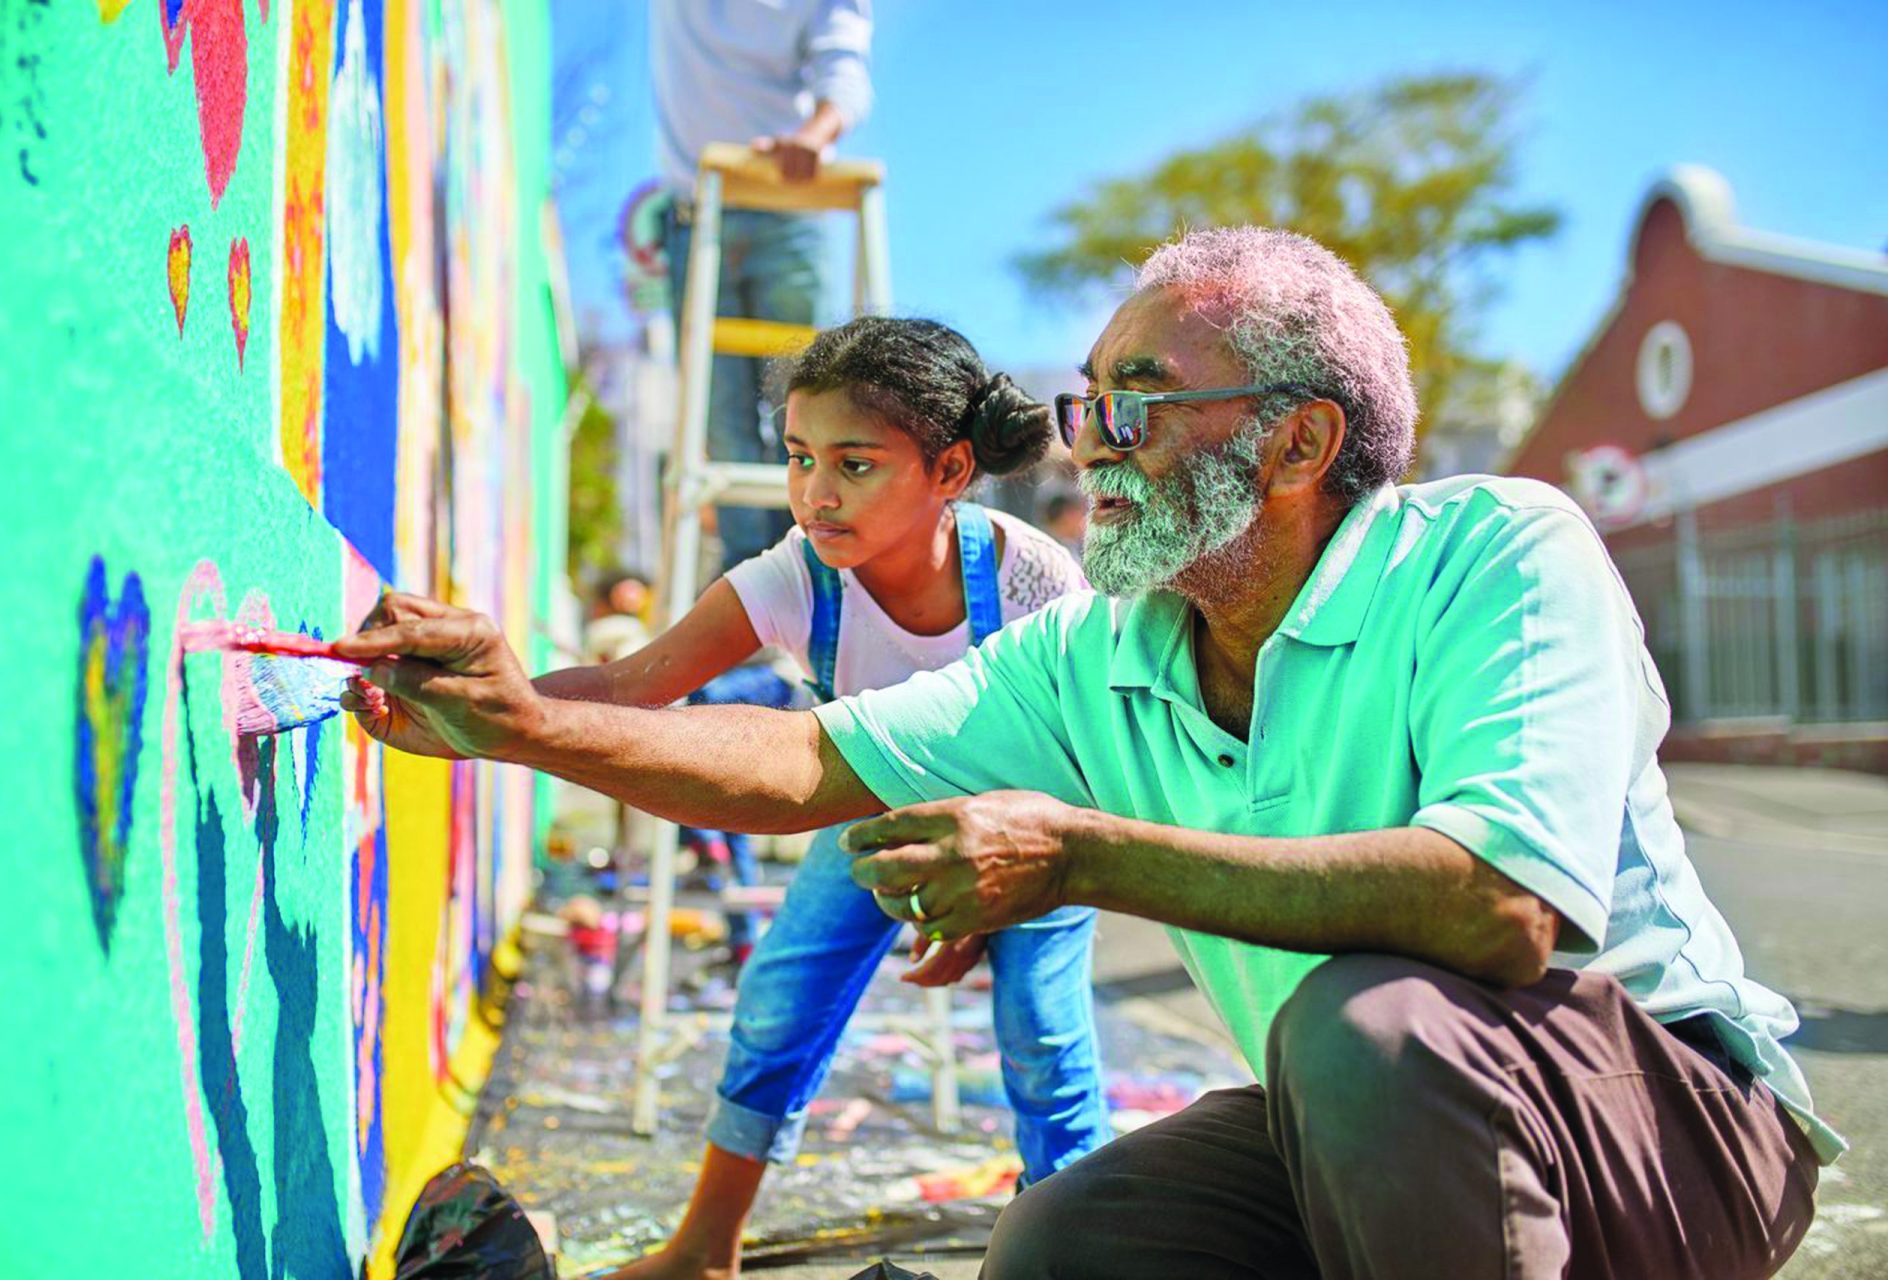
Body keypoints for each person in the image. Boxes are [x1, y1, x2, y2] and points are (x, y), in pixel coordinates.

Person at [336, 226, 1839, 1279]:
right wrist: (526, 728)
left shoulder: (1496, 551)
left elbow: (1497, 906)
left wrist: (1075, 854)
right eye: (1084, 405)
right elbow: (808, 765)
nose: (1090, 446)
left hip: (1676, 1129)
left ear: (1301, 446)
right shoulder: (1099, 651)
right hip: (1373, 1125)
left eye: (1136, 407)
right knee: (1069, 1241)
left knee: (1363, 1028)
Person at [528, 316, 1107, 1278]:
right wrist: (500, 704)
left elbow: (1083, 752)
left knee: (1044, 1040)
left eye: (855, 464)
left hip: (1040, 824)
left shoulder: (1030, 575)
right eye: (799, 459)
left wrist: (976, 904)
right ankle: (706, 1247)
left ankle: (1075, 1256)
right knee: (778, 998)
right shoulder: (799, 575)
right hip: (874, 809)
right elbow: (635, 687)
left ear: (950, 470)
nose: (815, 495)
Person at [653, 0, 873, 570]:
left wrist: (814, 135)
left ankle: (806, 567)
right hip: (698, 212)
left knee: (805, 408)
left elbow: (844, 70)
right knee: (719, 420)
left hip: (788, 211)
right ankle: (749, 581)